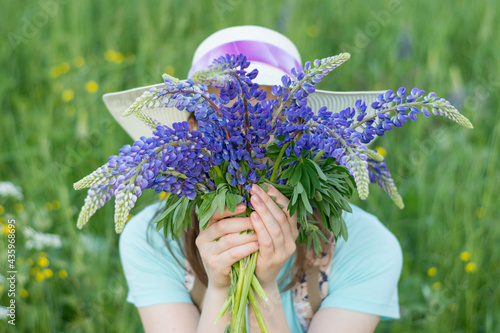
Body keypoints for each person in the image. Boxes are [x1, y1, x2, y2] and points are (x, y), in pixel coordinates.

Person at [104, 26, 403, 333]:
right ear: (192, 130)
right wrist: (220, 290)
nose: (244, 136)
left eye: (267, 116)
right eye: (222, 117)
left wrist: (264, 289)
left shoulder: (368, 247)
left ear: (300, 131)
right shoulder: (151, 239)